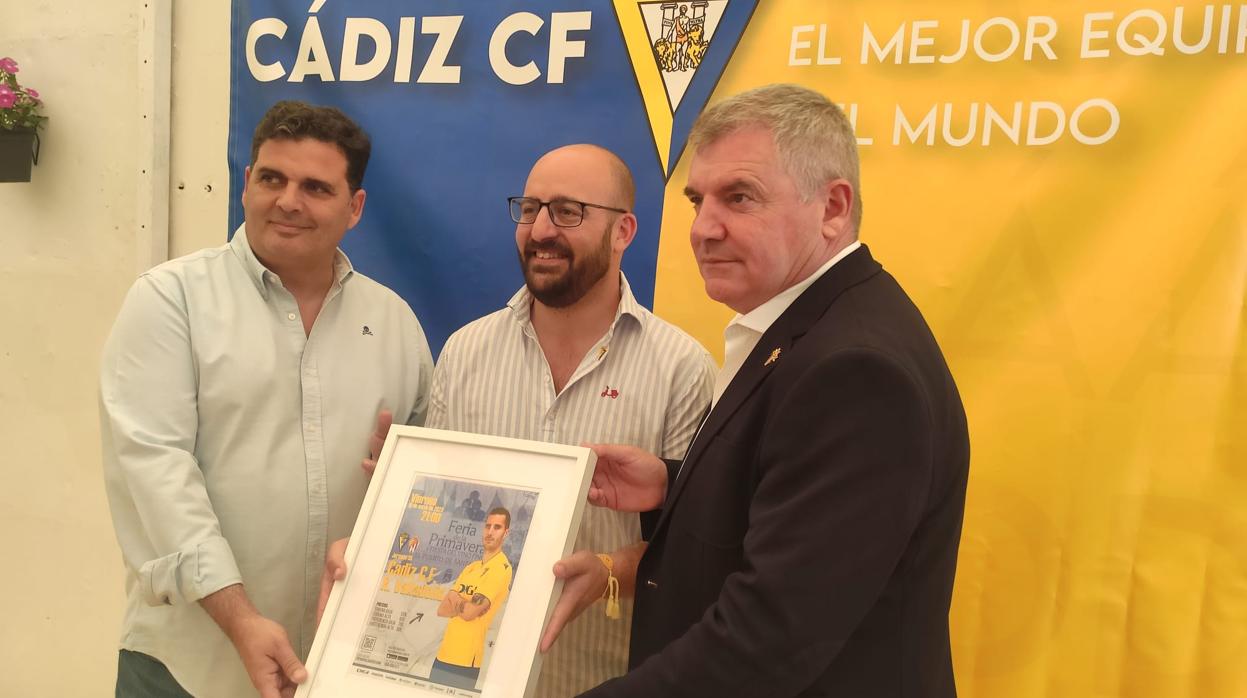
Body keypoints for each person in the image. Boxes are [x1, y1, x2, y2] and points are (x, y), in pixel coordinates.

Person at [542, 84, 971, 697]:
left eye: (739, 198)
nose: (702, 229)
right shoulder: (812, 322)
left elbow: (768, 639)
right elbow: (792, 504)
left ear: (832, 208)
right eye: (697, 200)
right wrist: (672, 487)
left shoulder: (856, 369)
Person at [325, 143, 715, 696]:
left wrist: (607, 571)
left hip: (602, 678)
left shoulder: (683, 368)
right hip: (464, 673)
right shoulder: (465, 352)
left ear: (624, 231)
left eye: (568, 211)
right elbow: (444, 533)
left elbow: (692, 551)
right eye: (530, 209)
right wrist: (396, 507)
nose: (540, 229)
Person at [100, 101, 434, 698]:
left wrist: (404, 479)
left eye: (316, 187)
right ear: (248, 182)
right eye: (271, 178)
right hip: (189, 667)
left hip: (338, 668)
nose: (287, 201)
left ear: (354, 208)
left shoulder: (395, 323)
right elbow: (156, 473)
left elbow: (426, 489)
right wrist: (241, 620)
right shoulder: (170, 301)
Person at [429, 507, 515, 690]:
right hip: (442, 657)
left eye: (497, 527)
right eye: (488, 526)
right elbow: (442, 609)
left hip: (465, 664)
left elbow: (469, 613)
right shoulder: (471, 568)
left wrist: (457, 599)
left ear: (506, 533)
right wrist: (464, 604)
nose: (490, 532)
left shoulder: (501, 568)